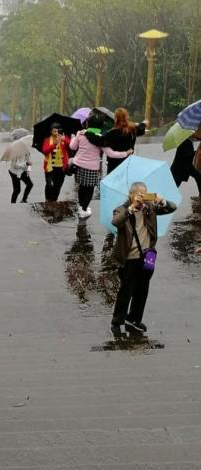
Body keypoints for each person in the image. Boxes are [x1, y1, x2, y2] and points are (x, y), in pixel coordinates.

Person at [110, 181, 176, 336]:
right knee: (126, 291)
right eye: (140, 194)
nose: (142, 198)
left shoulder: (150, 208)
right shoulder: (121, 209)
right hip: (129, 258)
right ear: (131, 195)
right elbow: (115, 222)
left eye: (145, 194)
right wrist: (130, 209)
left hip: (147, 256)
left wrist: (162, 201)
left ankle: (134, 319)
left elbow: (172, 207)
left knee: (142, 290)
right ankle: (117, 321)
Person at [69, 112, 132, 219]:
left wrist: (73, 137)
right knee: (89, 189)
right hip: (92, 168)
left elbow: (72, 147)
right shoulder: (101, 138)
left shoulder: (81, 134)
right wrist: (126, 153)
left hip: (78, 165)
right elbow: (111, 154)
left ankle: (81, 208)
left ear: (88, 123)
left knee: (82, 187)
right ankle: (84, 209)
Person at [105, 108, 147, 173]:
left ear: (116, 118)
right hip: (128, 162)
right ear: (126, 117)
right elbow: (140, 129)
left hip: (113, 165)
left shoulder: (111, 133)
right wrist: (144, 123)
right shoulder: (132, 130)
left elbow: (101, 141)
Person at [41, 123, 71, 202]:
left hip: (61, 167)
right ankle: (48, 199)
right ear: (51, 131)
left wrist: (64, 139)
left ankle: (54, 200)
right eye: (54, 131)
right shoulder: (47, 140)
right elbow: (45, 151)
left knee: (58, 185)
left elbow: (71, 146)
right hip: (50, 167)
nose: (57, 133)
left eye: (58, 131)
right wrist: (54, 144)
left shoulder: (64, 138)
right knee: (49, 184)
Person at [170, 127, 201, 196]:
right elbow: (188, 154)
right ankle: (164, 199)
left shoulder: (188, 140)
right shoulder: (185, 141)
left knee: (199, 177)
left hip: (187, 166)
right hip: (179, 168)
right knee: (173, 186)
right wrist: (197, 152)